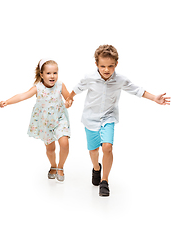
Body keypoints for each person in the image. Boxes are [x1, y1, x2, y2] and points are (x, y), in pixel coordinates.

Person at [65, 45, 170, 196]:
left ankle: (105, 181)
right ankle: (96, 168)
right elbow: (77, 88)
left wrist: (154, 98)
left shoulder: (120, 80)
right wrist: (69, 99)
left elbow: (137, 90)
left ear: (116, 64)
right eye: (102, 66)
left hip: (108, 117)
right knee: (93, 151)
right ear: (96, 65)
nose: (106, 70)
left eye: (110, 66)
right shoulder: (89, 77)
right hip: (90, 118)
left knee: (107, 147)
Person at [0, 59, 71, 182]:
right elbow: (22, 96)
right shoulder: (38, 88)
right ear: (41, 75)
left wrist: (68, 102)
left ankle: (60, 166)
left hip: (59, 119)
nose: (52, 76)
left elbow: (68, 97)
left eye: (55, 73)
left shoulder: (60, 85)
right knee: (50, 149)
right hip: (45, 122)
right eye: (48, 73)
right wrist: (7, 102)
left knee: (64, 143)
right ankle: (53, 165)